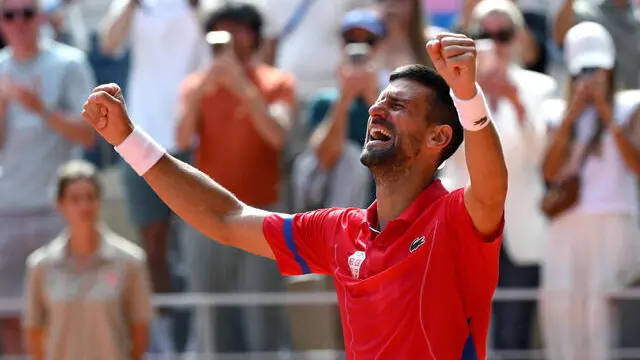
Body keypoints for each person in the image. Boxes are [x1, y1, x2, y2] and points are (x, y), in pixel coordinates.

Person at [82, 32, 508, 359]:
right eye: (379, 101)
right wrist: (129, 141)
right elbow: (225, 219)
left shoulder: (454, 218)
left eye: (398, 106)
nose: (377, 109)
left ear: (439, 136)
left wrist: (467, 97)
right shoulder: (338, 229)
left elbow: (491, 192)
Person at [175, 3, 295, 353]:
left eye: (239, 30)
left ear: (255, 36)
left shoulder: (276, 81)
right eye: (222, 32)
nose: (230, 40)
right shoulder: (195, 85)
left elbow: (278, 135)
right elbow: (181, 139)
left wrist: (243, 86)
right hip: (207, 213)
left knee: (263, 314)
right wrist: (202, 90)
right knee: (211, 314)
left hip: (263, 213)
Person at [441, 1, 557, 357]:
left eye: (502, 35)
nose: (494, 43)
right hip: (464, 227)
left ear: (518, 38)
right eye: (483, 35)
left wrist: (515, 101)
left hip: (521, 229)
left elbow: (543, 159)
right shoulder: (451, 92)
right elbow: (447, 156)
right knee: (460, 335)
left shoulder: (541, 87)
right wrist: (473, 100)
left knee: (513, 336)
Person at [100, 0, 209, 350]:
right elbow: (108, 42)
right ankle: (164, 343)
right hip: (141, 135)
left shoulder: (200, 6)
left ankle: (197, 340)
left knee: (198, 241)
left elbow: (212, 50)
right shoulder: (132, 6)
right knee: (154, 244)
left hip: (190, 136)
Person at [540, 22, 640, 360]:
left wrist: (607, 114)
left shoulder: (630, 107)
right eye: (584, 68)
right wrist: (572, 116)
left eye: (597, 66)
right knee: (563, 312)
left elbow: (637, 166)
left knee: (606, 317)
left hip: (614, 221)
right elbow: (550, 172)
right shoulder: (556, 111)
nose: (592, 74)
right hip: (567, 226)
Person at [0, 0, 95, 354]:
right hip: (6, 210)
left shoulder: (69, 63)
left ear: (40, 17)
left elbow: (88, 135)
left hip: (59, 211)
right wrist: (5, 105)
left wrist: (41, 109)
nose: (18, 22)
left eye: (26, 13)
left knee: (64, 311)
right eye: (9, 15)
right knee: (9, 313)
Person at [23, 160, 153, 360]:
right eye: (75, 199)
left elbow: (140, 329)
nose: (84, 205)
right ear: (60, 204)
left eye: (90, 197)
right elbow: (34, 331)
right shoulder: (40, 266)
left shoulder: (131, 262)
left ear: (100, 201)